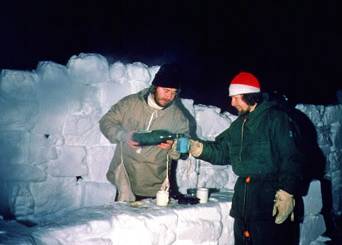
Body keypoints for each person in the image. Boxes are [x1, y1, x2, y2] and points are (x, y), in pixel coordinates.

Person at [187, 72, 307, 245]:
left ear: (250, 96)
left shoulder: (277, 118)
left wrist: (287, 193)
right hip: (243, 208)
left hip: (270, 205)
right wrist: (197, 148)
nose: (232, 103)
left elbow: (293, 157)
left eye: (236, 98)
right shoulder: (238, 125)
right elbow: (222, 151)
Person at [99, 63, 189, 202]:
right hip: (126, 178)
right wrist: (123, 136)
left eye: (173, 92)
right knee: (123, 221)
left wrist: (173, 146)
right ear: (155, 87)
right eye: (166, 90)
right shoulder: (130, 104)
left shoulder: (177, 116)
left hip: (155, 185)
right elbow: (106, 122)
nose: (169, 97)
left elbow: (185, 145)